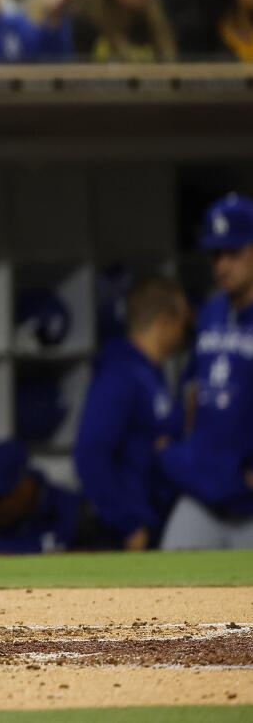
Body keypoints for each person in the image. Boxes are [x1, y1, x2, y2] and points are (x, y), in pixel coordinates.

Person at [159, 194, 253, 549]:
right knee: (166, 591)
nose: (222, 265)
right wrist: (170, 443)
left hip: (248, 500)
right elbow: (191, 387)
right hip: (201, 493)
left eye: (233, 253)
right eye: (216, 255)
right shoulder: (212, 312)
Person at [74, 275, 187, 549]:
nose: (185, 331)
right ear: (164, 322)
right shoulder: (120, 372)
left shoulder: (150, 372)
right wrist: (127, 522)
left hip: (150, 517)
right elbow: (90, 452)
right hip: (123, 530)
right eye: (182, 322)